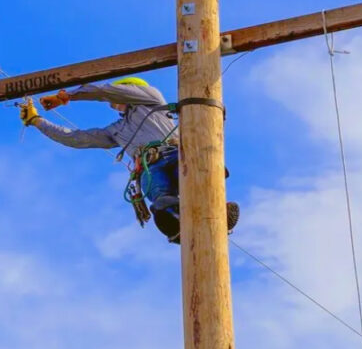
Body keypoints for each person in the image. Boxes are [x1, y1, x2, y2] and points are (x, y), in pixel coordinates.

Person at [18, 77, 239, 243]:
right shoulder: (118, 130)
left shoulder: (150, 99)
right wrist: (37, 121)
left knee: (198, 176)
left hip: (174, 155)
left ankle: (218, 209)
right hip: (150, 169)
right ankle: (178, 226)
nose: (113, 105)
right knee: (162, 200)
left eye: (116, 100)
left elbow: (104, 91)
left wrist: (67, 96)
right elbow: (76, 139)